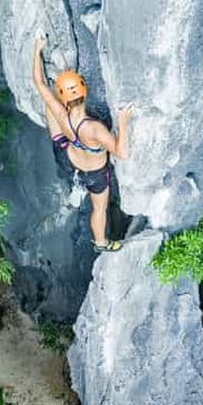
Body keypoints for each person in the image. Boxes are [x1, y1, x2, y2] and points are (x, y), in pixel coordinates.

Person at [31, 36, 133, 252]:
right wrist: (123, 121)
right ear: (84, 90)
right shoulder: (94, 129)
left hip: (69, 157)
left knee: (49, 104)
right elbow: (122, 152)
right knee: (100, 207)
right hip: (95, 173)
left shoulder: (62, 113)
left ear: (63, 95)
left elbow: (39, 83)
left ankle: (77, 189)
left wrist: (37, 49)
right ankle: (101, 243)